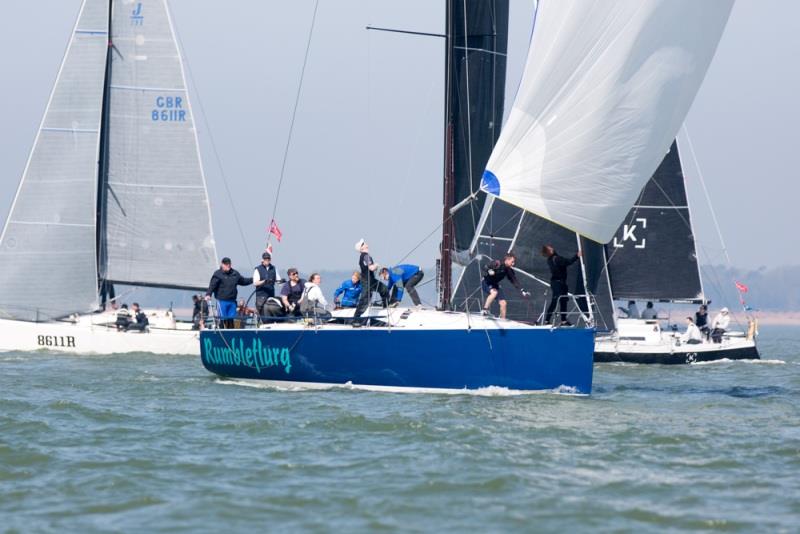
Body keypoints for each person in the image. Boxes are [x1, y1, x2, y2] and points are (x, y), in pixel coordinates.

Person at [206, 257, 253, 329]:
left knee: (231, 321)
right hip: (222, 301)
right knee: (223, 320)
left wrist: (253, 279)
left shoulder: (235, 273)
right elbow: (212, 285)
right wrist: (208, 294)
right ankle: (222, 334)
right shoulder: (218, 274)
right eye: (226, 264)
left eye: (229, 264)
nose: (228, 265)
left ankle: (230, 336)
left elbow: (243, 281)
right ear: (222, 264)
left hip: (232, 302)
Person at [541, 244, 581, 326]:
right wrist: (577, 255)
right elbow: (568, 262)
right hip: (557, 283)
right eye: (550, 248)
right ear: (549, 251)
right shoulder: (557, 258)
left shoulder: (551, 259)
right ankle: (547, 320)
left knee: (563, 300)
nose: (552, 247)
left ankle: (563, 320)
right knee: (556, 300)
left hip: (560, 283)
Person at [353, 239, 389, 326]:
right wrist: (376, 265)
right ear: (361, 248)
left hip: (371, 280)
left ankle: (386, 306)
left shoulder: (365, 256)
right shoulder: (365, 256)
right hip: (367, 281)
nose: (366, 244)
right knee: (365, 300)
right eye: (364, 244)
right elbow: (371, 268)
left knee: (384, 289)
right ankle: (356, 319)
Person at [481, 253, 527, 320]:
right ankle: (484, 310)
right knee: (494, 292)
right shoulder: (497, 263)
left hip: (495, 284)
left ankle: (503, 320)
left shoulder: (509, 270)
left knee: (503, 303)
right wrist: (489, 270)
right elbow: (484, 266)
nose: (513, 264)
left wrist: (522, 290)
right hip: (486, 282)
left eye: (514, 262)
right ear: (507, 260)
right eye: (512, 262)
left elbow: (514, 281)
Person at [252, 251, 278, 320]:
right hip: (261, 296)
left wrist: (281, 281)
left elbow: (277, 280)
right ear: (262, 260)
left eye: (268, 259)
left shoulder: (274, 268)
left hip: (271, 295)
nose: (267, 260)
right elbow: (255, 283)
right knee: (261, 313)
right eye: (265, 259)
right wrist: (264, 281)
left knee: (271, 312)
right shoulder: (258, 269)